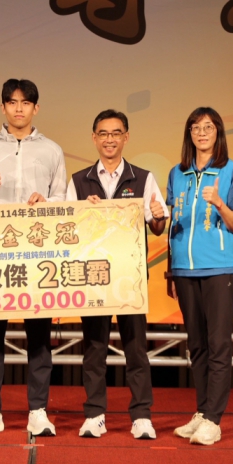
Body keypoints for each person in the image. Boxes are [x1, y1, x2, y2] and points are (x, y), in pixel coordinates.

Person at [0, 79, 67, 437]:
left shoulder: (52, 150)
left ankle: (38, 410)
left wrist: (47, 202)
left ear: (36, 108)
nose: (18, 108)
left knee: (39, 335)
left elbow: (63, 199)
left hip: (37, 254)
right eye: (12, 102)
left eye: (25, 103)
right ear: (3, 107)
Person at [66, 109, 168, 439]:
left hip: (130, 278)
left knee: (136, 349)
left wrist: (157, 215)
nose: (109, 139)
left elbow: (157, 226)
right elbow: (67, 230)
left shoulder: (143, 178)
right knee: (94, 348)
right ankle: (94, 414)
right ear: (94, 138)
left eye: (116, 133)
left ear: (126, 137)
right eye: (103, 133)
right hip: (92, 276)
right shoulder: (79, 181)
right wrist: (85, 213)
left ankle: (141, 415)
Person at [167, 107, 233, 445]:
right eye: (196, 127)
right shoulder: (177, 173)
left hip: (219, 269)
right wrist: (170, 271)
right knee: (197, 345)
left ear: (218, 133)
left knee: (218, 345)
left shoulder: (231, 170)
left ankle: (214, 419)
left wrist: (219, 204)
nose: (202, 133)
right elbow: (172, 224)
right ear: (189, 133)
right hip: (184, 270)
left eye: (208, 127)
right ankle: (202, 412)